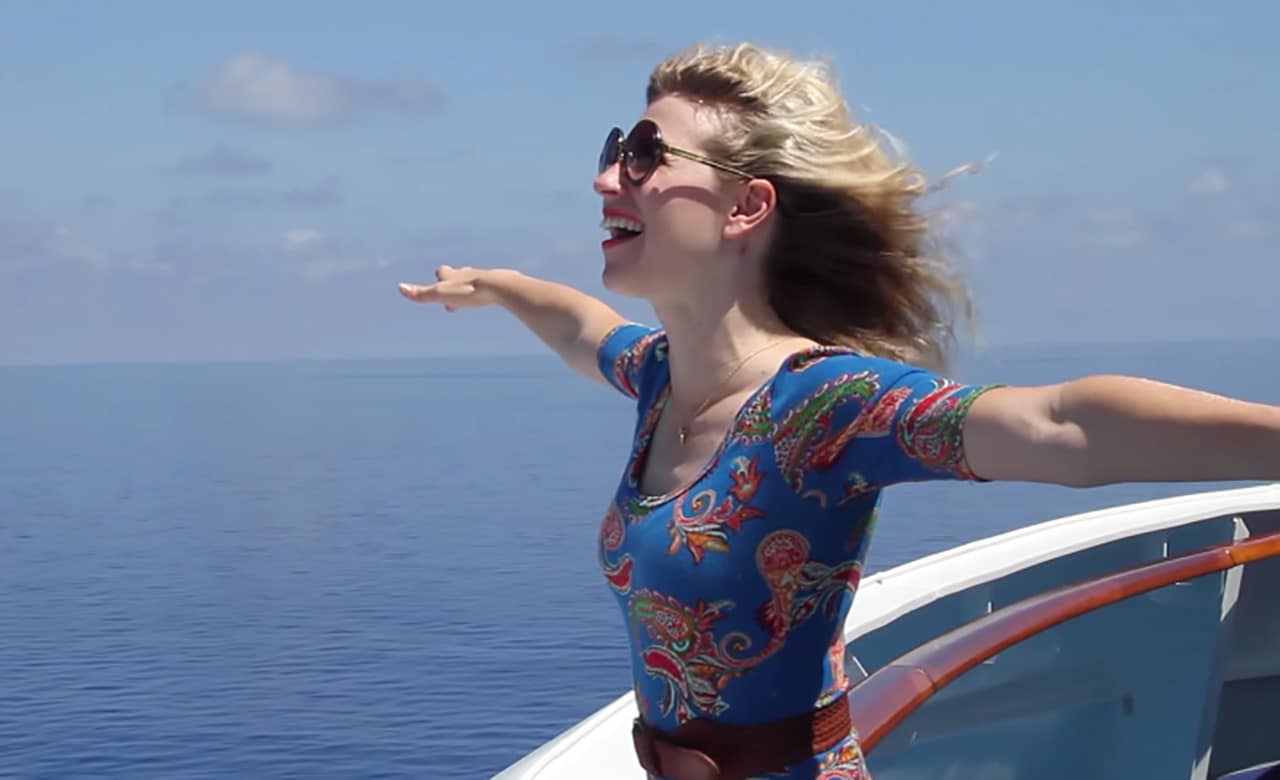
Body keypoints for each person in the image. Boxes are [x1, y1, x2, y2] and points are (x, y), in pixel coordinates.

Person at [398, 42, 1280, 780]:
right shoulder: (660, 375)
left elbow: (1064, 427)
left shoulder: (827, 405)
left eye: (643, 154)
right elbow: (578, 323)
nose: (605, 178)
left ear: (746, 205)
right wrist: (496, 286)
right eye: (613, 148)